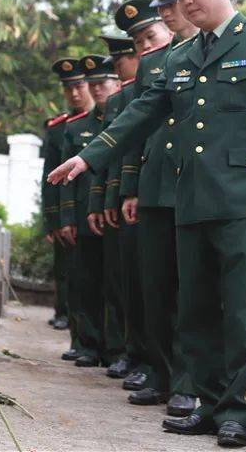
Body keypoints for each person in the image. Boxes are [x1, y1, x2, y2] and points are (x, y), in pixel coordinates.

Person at [49, 0, 246, 447]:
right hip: (191, 199)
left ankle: (236, 409)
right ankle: (205, 403)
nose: (187, 2)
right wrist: (89, 156)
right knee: (196, 309)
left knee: (242, 312)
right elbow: (140, 112)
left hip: (243, 199)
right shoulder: (182, 55)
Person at [116, 0, 198, 418]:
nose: (168, 10)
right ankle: (160, 372)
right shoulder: (152, 64)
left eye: (174, 3)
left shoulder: (204, 53)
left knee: (189, 289)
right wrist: (130, 187)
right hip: (153, 186)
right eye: (162, 4)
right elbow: (137, 129)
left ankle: (185, 381)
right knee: (155, 287)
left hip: (190, 185)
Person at [89, 35, 145, 381]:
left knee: (140, 284)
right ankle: (121, 349)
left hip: (144, 196)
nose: (121, 64)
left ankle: (138, 354)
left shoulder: (138, 95)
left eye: (122, 59)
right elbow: (108, 158)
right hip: (123, 200)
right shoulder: (121, 99)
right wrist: (107, 199)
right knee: (118, 281)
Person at [59, 54, 120, 367]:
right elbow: (66, 181)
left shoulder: (123, 120)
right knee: (85, 282)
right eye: (93, 85)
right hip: (85, 215)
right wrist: (67, 217)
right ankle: (87, 343)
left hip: (115, 215)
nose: (97, 91)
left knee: (115, 285)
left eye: (102, 84)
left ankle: (115, 348)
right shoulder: (78, 126)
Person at [47, 59, 96, 360]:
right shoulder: (60, 128)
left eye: (80, 86)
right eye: (69, 88)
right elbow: (51, 179)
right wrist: (55, 220)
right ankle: (79, 335)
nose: (75, 93)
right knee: (72, 275)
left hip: (100, 209)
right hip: (72, 213)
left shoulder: (110, 118)